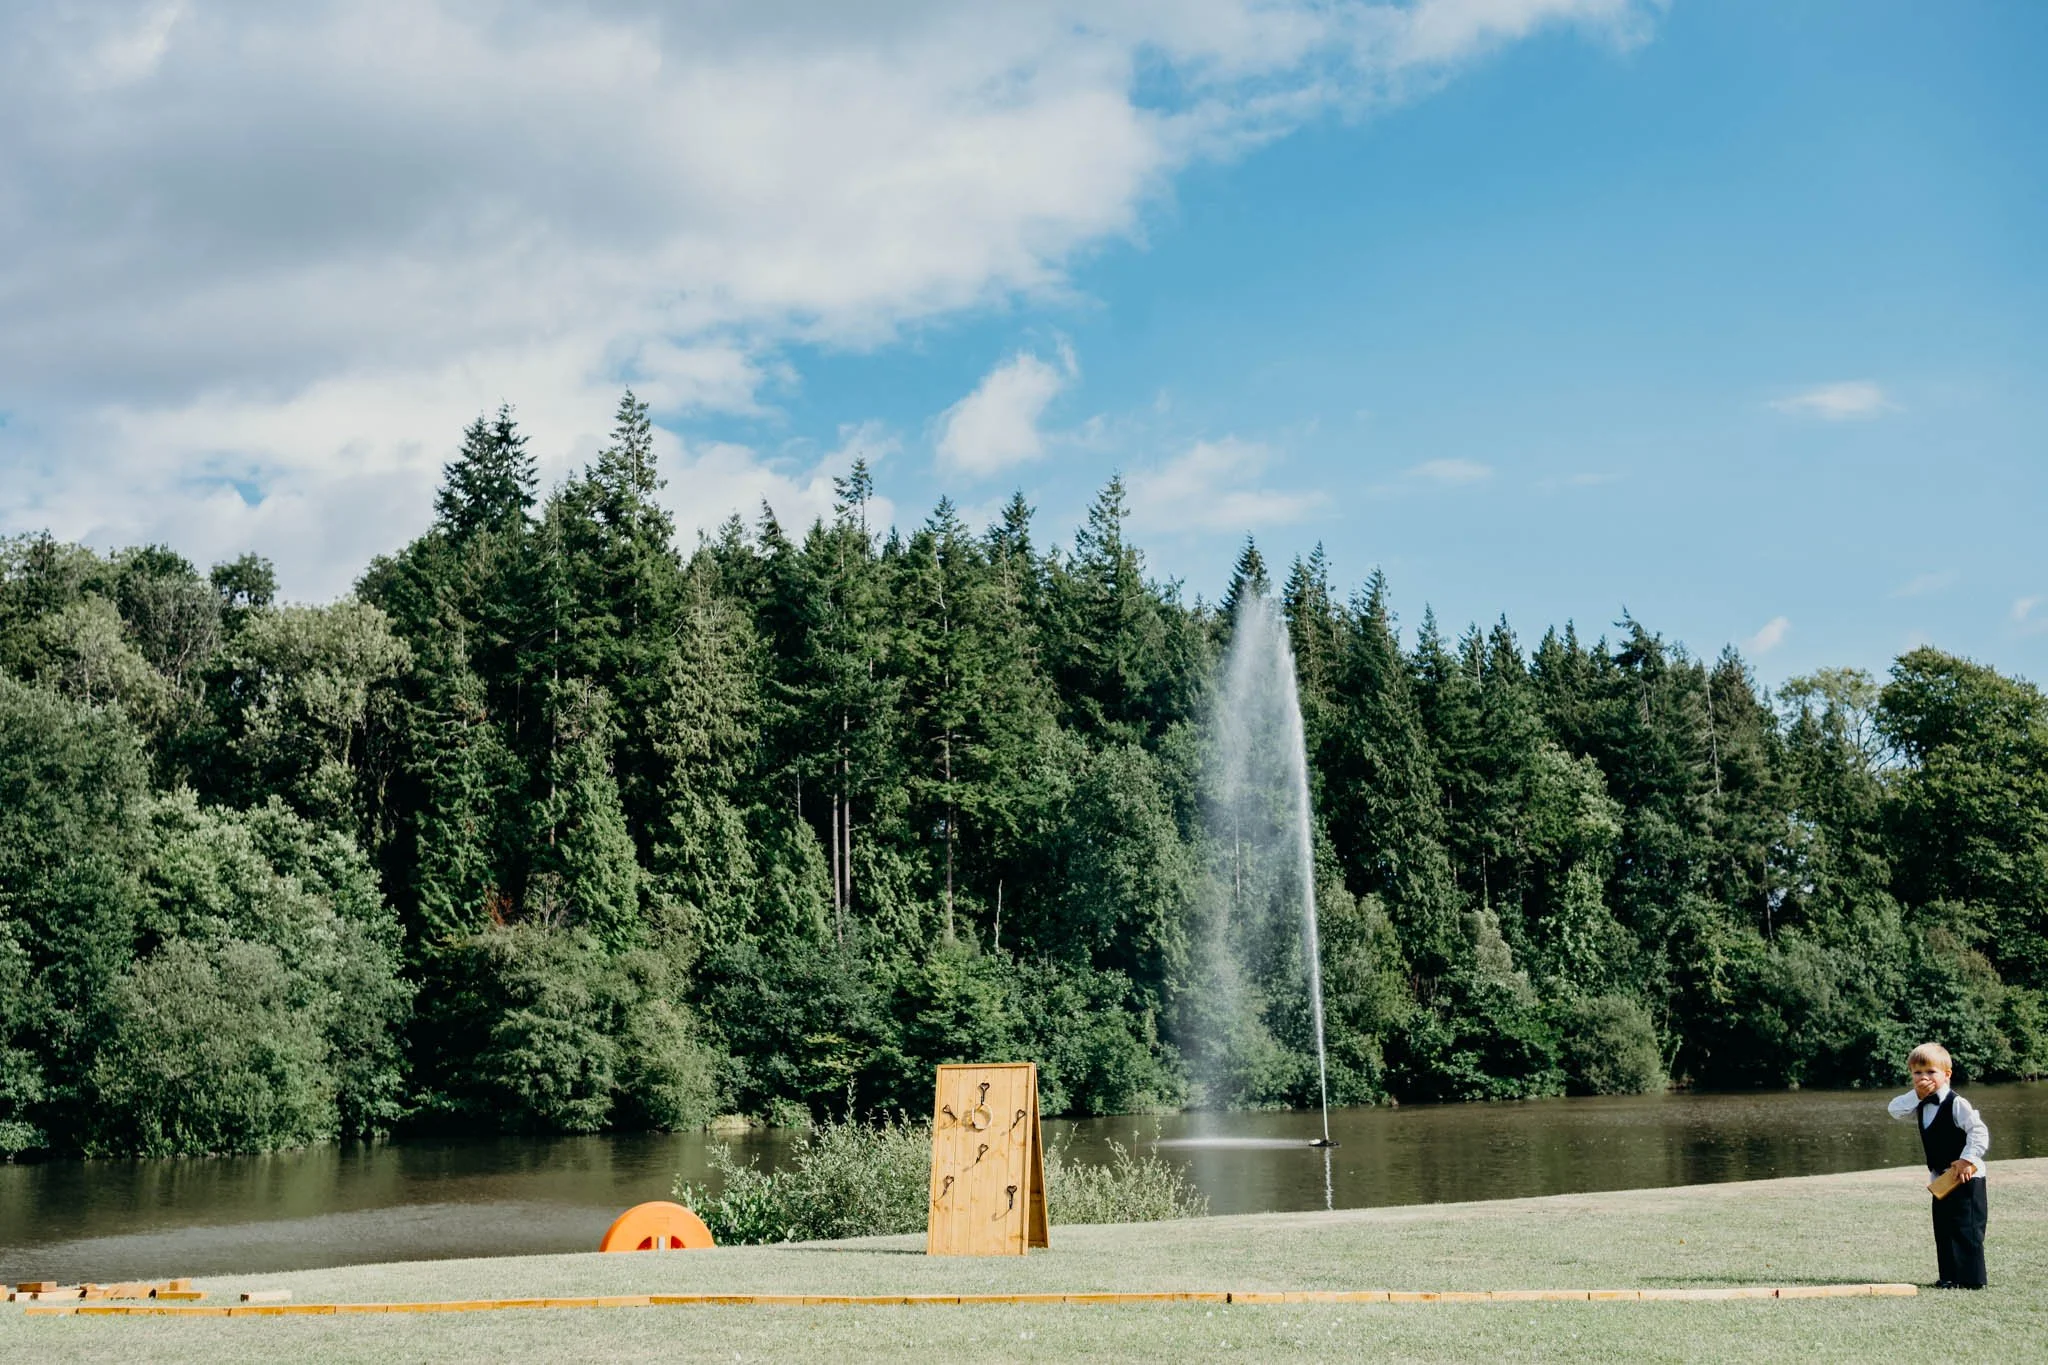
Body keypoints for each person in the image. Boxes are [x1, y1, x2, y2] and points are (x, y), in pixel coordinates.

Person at [1888, 1042, 1990, 1289]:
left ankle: (1972, 1280)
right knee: (1944, 1227)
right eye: (1917, 1073)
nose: (1924, 1078)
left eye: (1931, 1072)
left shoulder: (1956, 1103)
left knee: (1966, 1228)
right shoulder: (1920, 1104)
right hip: (1941, 1179)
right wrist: (1918, 1094)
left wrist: (1968, 1159)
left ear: (1947, 1074)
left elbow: (1978, 1131)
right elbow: (1894, 1110)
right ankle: (1949, 1276)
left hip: (1966, 1176)